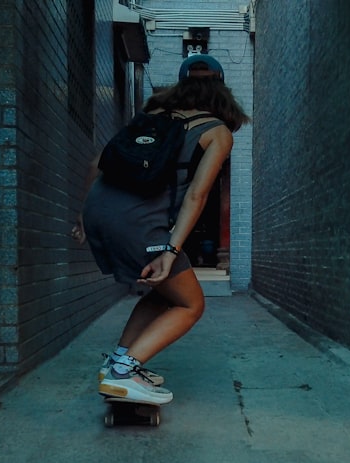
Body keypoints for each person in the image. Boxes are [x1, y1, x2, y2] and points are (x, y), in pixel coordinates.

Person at [72, 54, 249, 406]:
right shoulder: (216, 131)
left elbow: (96, 163)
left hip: (98, 211)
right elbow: (197, 196)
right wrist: (170, 251)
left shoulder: (149, 117)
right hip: (139, 224)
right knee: (191, 304)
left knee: (168, 294)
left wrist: (82, 218)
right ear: (221, 91)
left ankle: (121, 362)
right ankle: (124, 372)